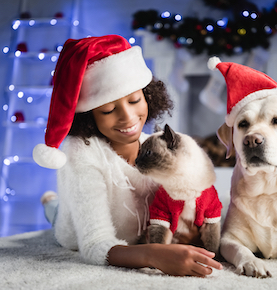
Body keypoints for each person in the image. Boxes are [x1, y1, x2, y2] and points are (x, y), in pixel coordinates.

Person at [32, 35, 222, 277]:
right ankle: (50, 202)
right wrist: (152, 254)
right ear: (89, 116)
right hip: (72, 229)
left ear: (148, 96)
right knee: (59, 214)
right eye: (109, 109)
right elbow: (93, 244)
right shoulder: (79, 153)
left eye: (134, 100)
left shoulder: (152, 146)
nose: (128, 118)